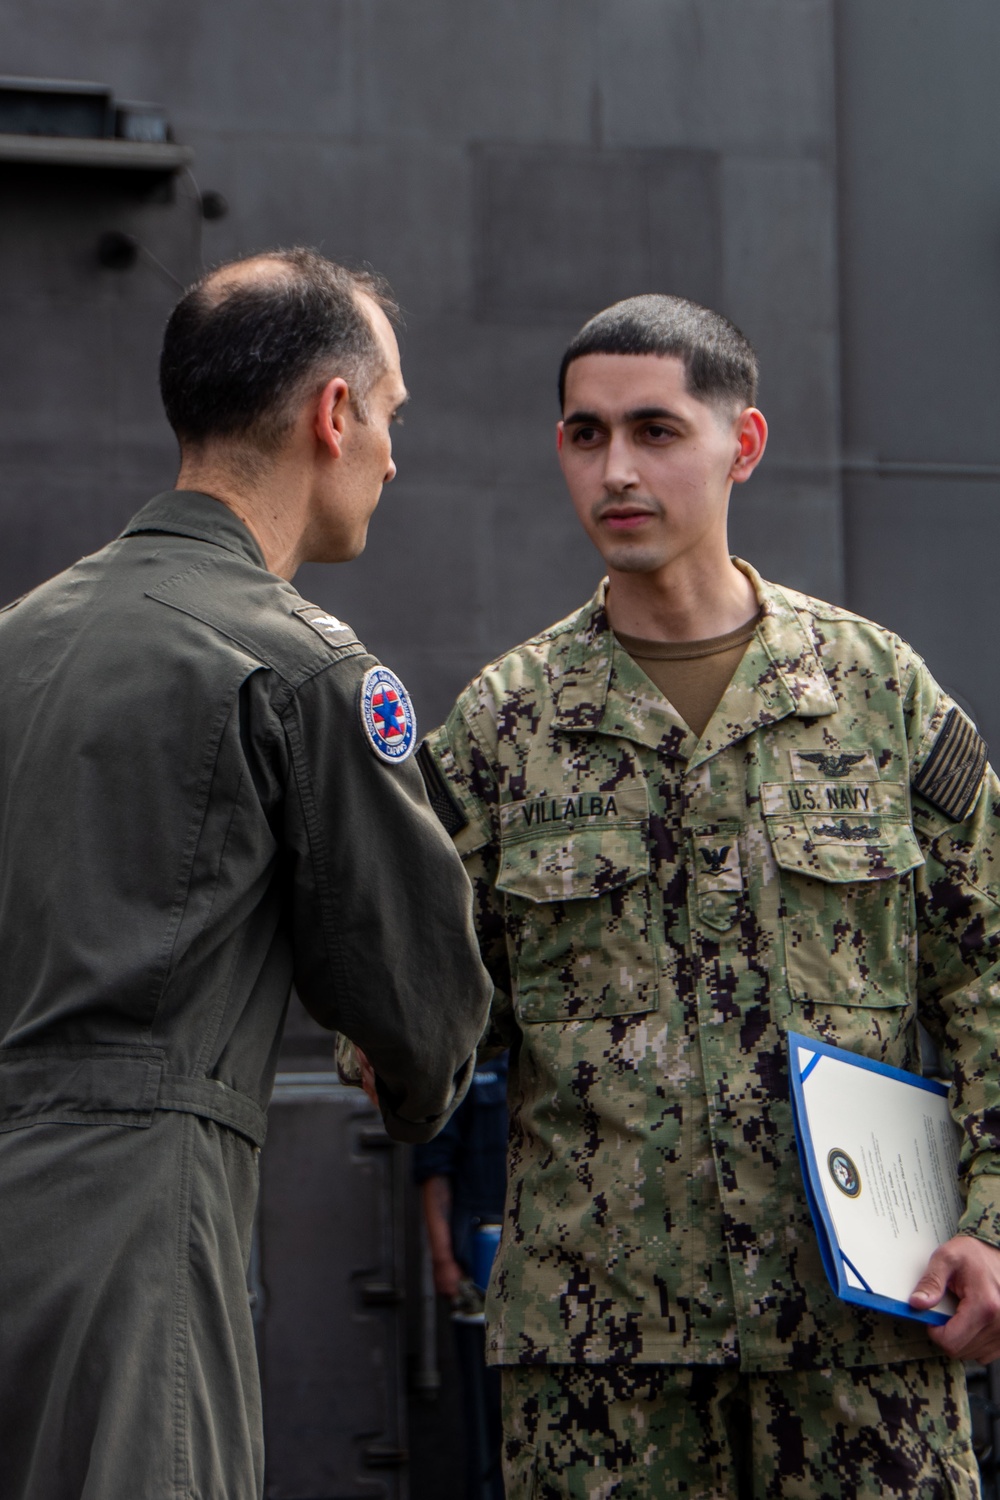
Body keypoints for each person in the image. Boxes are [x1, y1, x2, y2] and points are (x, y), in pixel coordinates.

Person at [419, 294, 1000, 1497]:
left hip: (869, 1336)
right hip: (606, 1362)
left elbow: (988, 968)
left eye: (653, 430)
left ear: (741, 444)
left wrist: (994, 1219)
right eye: (584, 435)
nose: (615, 470)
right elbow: (419, 1007)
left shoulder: (874, 693)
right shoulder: (501, 728)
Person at [0, 248, 492, 1500]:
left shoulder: (21, 639)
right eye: (388, 415)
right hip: (136, 1220)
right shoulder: (305, 666)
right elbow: (422, 1009)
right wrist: (410, 1080)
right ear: (334, 415)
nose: (393, 454)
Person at [414, 1052, 509, 1500]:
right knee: (484, 1413)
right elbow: (434, 1168)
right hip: (479, 1264)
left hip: (543, 1269)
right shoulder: (472, 1062)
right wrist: (444, 1261)